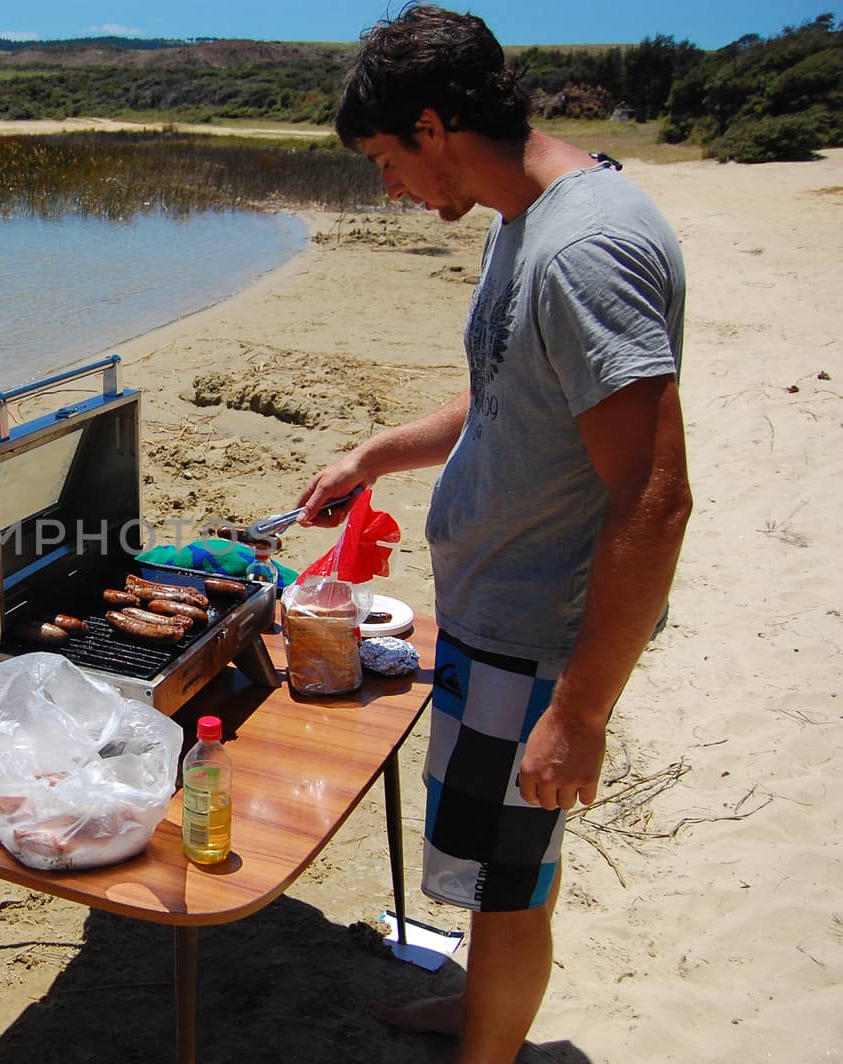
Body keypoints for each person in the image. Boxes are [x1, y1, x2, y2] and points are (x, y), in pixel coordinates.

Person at [295, 5, 692, 1062]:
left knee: (510, 878)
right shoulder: (531, 218)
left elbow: (655, 498)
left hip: (535, 640)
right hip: (496, 620)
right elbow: (515, 394)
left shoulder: (583, 248)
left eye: (386, 159)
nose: (389, 186)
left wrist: (582, 707)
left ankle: (488, 1052)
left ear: (432, 126)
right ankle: (482, 1009)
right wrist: (377, 453)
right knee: (482, 852)